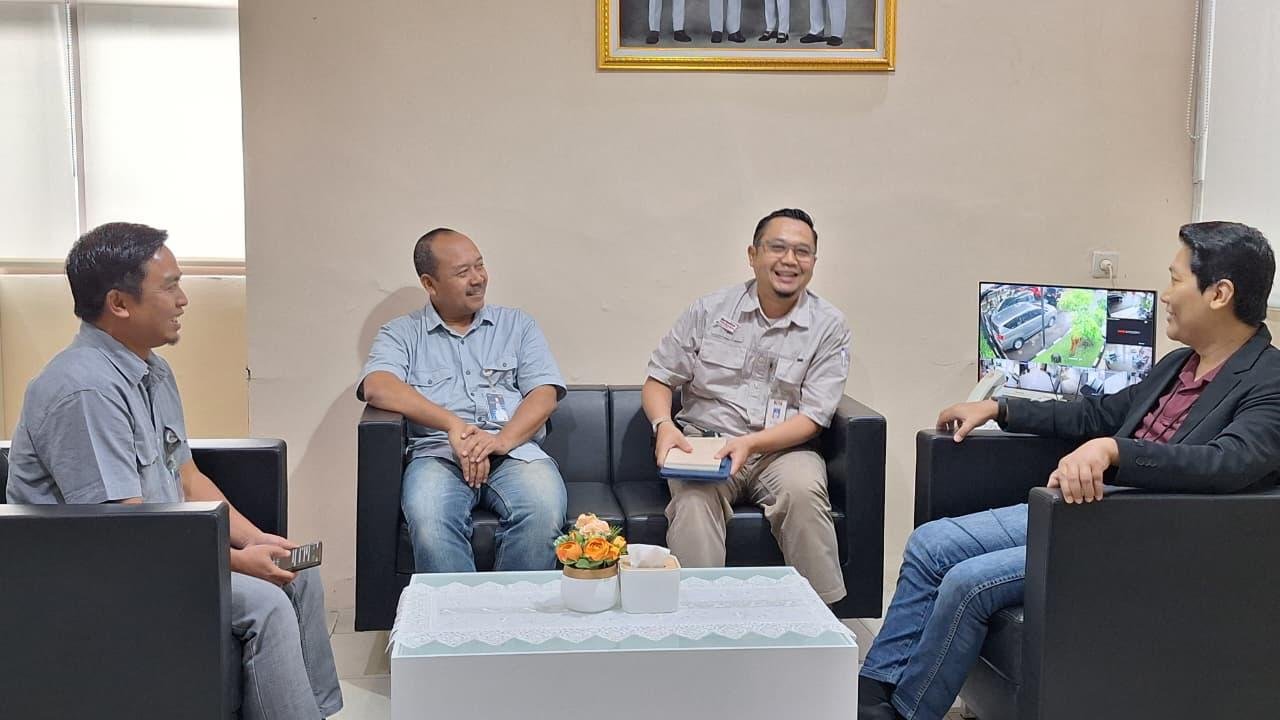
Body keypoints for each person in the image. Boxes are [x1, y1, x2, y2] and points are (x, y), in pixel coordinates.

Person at [858, 221, 1280, 720]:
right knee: (931, 544)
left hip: (1140, 537)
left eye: (1175, 279)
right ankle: (873, 693)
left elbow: (1228, 462)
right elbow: (1098, 412)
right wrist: (1001, 408)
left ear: (1219, 293)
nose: (1166, 295)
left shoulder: (1268, 380)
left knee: (966, 581)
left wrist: (1116, 451)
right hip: (1084, 513)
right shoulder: (1178, 364)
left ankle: (907, 713)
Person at [5, 222, 342, 719]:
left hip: (156, 549)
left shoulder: (152, 369)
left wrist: (256, 540)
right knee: (265, 604)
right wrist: (236, 563)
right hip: (97, 572)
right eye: (170, 287)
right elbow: (123, 530)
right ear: (119, 303)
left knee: (298, 576)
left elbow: (187, 476)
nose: (183, 300)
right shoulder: (84, 390)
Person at [643, 208, 851, 604]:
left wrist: (752, 444)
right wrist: (663, 425)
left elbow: (814, 416)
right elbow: (659, 379)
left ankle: (821, 618)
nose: (789, 260)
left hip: (783, 450)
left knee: (804, 492)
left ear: (813, 262)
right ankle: (700, 618)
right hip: (708, 445)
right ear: (753, 255)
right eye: (778, 248)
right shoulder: (709, 310)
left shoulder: (829, 326)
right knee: (693, 501)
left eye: (802, 252)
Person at [359, 228, 567, 573]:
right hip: (438, 455)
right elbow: (377, 385)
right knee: (430, 518)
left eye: (479, 266)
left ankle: (512, 607)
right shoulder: (401, 333)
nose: (477, 279)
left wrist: (500, 441)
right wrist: (453, 425)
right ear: (430, 284)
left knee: (543, 508)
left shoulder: (517, 325)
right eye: (462, 272)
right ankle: (457, 609)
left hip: (514, 453)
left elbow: (544, 394)